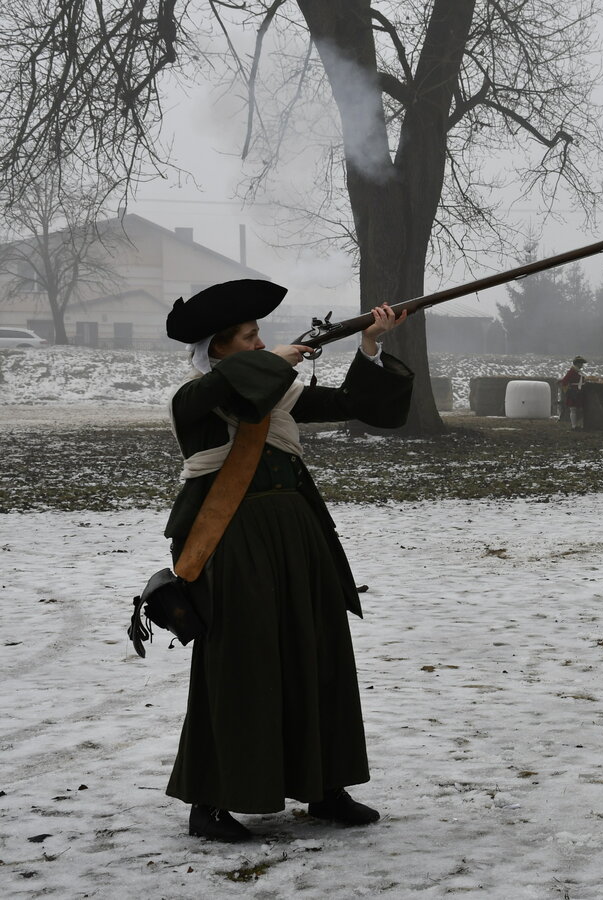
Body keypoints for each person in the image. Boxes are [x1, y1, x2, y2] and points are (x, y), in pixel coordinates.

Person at [161, 279, 413, 842]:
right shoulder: (193, 399)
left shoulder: (275, 390)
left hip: (299, 536)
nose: (259, 343)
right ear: (217, 348)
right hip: (232, 542)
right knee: (239, 666)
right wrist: (277, 360)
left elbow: (356, 406)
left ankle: (324, 787)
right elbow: (241, 387)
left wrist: (370, 343)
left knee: (316, 652)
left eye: (259, 336)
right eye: (248, 337)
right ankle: (211, 801)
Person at [559, 355, 586, 430]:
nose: (582, 365)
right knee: (573, 409)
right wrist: (568, 391)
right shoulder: (572, 371)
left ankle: (581, 425)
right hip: (574, 391)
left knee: (581, 409)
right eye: (581, 363)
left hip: (579, 391)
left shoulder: (578, 371)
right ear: (577, 363)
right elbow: (565, 381)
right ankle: (574, 426)